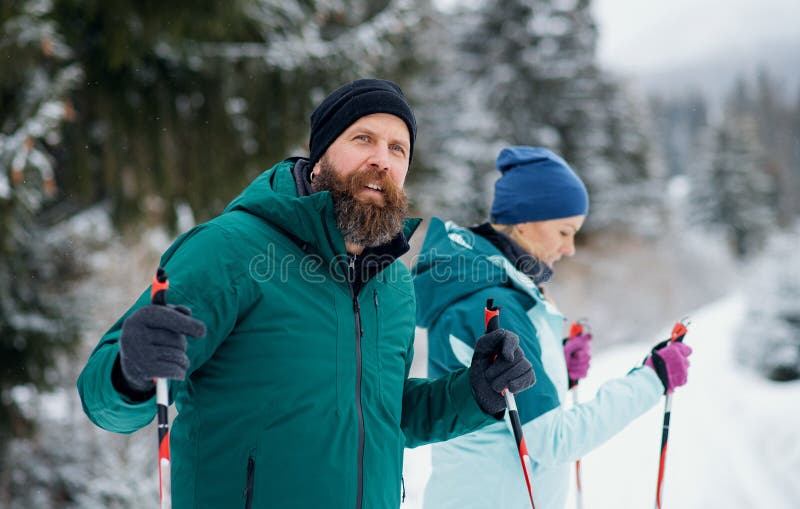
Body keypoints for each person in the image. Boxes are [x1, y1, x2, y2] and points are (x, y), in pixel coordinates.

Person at [77, 79, 535, 509]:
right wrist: (130, 372)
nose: (383, 158)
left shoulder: (393, 284)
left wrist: (475, 392)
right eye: (363, 139)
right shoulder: (232, 249)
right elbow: (105, 401)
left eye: (398, 148)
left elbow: (383, 414)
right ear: (318, 159)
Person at [413, 146, 693, 509]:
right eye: (564, 231)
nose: (570, 248)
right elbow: (552, 441)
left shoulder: (481, 284)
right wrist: (652, 379)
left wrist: (551, 360)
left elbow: (494, 386)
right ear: (526, 220)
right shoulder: (496, 300)